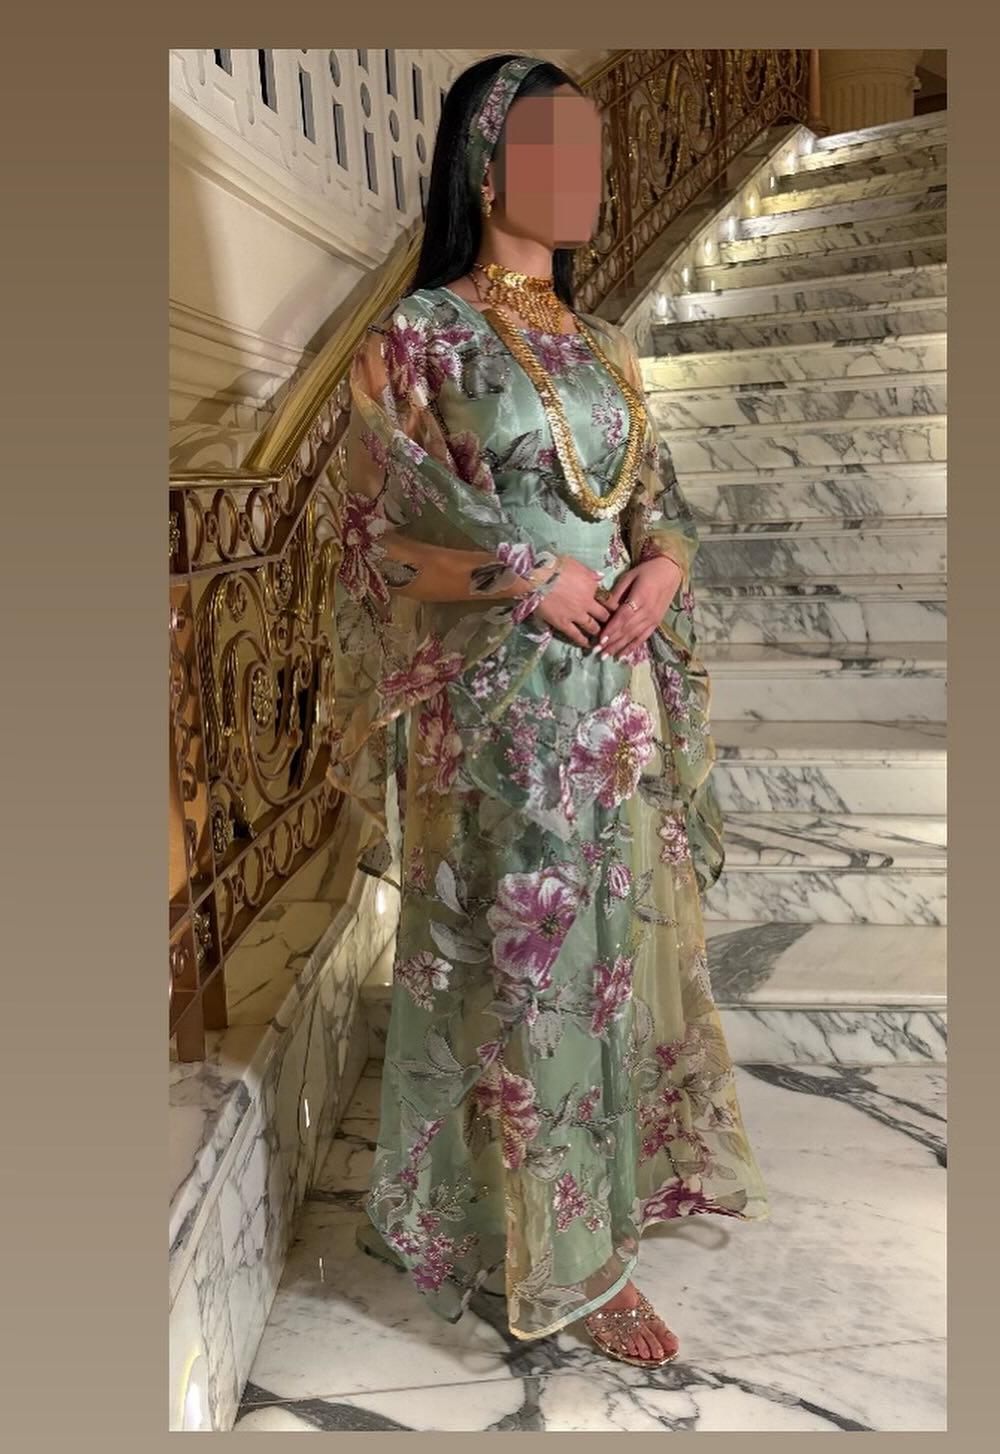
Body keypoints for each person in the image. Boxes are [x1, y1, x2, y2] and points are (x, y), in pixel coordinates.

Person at [326, 52, 771, 1368]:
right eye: (553, 151)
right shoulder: (418, 338)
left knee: (604, 974)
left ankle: (578, 1220)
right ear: (485, 166)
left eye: (592, 152)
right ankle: (555, 1262)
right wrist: (525, 574)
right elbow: (374, 543)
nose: (585, 175)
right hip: (496, 717)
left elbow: (660, 508)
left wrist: (662, 571)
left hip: (609, 715)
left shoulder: (607, 345)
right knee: (520, 980)